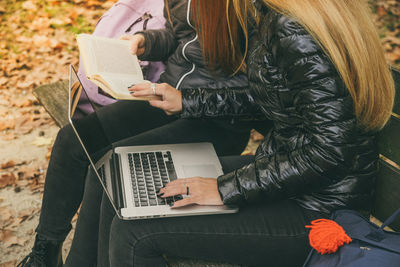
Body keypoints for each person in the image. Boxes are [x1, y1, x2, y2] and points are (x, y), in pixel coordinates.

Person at [87, 0, 394, 266]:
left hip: (317, 211)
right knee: (123, 176)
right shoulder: (282, 14)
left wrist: (225, 189)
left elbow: (330, 151)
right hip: (293, 177)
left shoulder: (292, 27)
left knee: (134, 233)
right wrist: (188, 102)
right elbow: (273, 96)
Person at [18, 0, 264, 266]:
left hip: (218, 122)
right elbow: (179, 35)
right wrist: (146, 41)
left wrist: (188, 100)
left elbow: (264, 92)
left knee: (111, 169)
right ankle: (46, 251)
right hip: (167, 98)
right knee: (73, 139)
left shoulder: (252, 8)